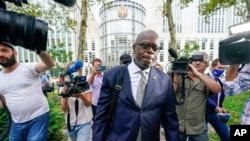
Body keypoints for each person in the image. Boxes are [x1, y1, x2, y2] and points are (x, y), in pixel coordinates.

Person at [92, 29, 179, 141]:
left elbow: (170, 120)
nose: (150, 51)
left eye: (155, 48)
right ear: (134, 48)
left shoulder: (164, 80)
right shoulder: (113, 75)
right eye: (145, 46)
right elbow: (101, 116)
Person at [0, 42, 54, 141]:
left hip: (37, 117)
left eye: (4, 50)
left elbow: (49, 64)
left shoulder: (28, 67)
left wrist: (39, 51)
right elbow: (2, 102)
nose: (1, 54)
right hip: (16, 121)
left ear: (15, 53)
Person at [173, 51, 221, 141]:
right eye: (195, 60)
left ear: (206, 65)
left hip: (198, 127)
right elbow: (170, 96)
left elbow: (217, 89)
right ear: (190, 62)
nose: (198, 62)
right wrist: (176, 77)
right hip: (178, 125)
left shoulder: (207, 80)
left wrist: (198, 74)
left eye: (201, 61)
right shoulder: (180, 77)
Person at [60, 61, 93, 141]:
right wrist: (65, 96)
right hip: (70, 123)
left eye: (78, 70)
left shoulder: (85, 84)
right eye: (73, 70)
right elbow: (64, 109)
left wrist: (81, 96)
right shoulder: (64, 86)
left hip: (85, 122)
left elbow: (89, 103)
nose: (76, 72)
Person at [206, 58, 230, 141]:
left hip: (217, 114)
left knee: (227, 136)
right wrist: (215, 106)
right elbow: (204, 97)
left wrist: (220, 107)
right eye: (220, 68)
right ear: (212, 67)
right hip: (203, 114)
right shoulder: (204, 79)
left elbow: (220, 97)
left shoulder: (220, 81)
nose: (222, 70)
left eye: (224, 68)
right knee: (199, 138)